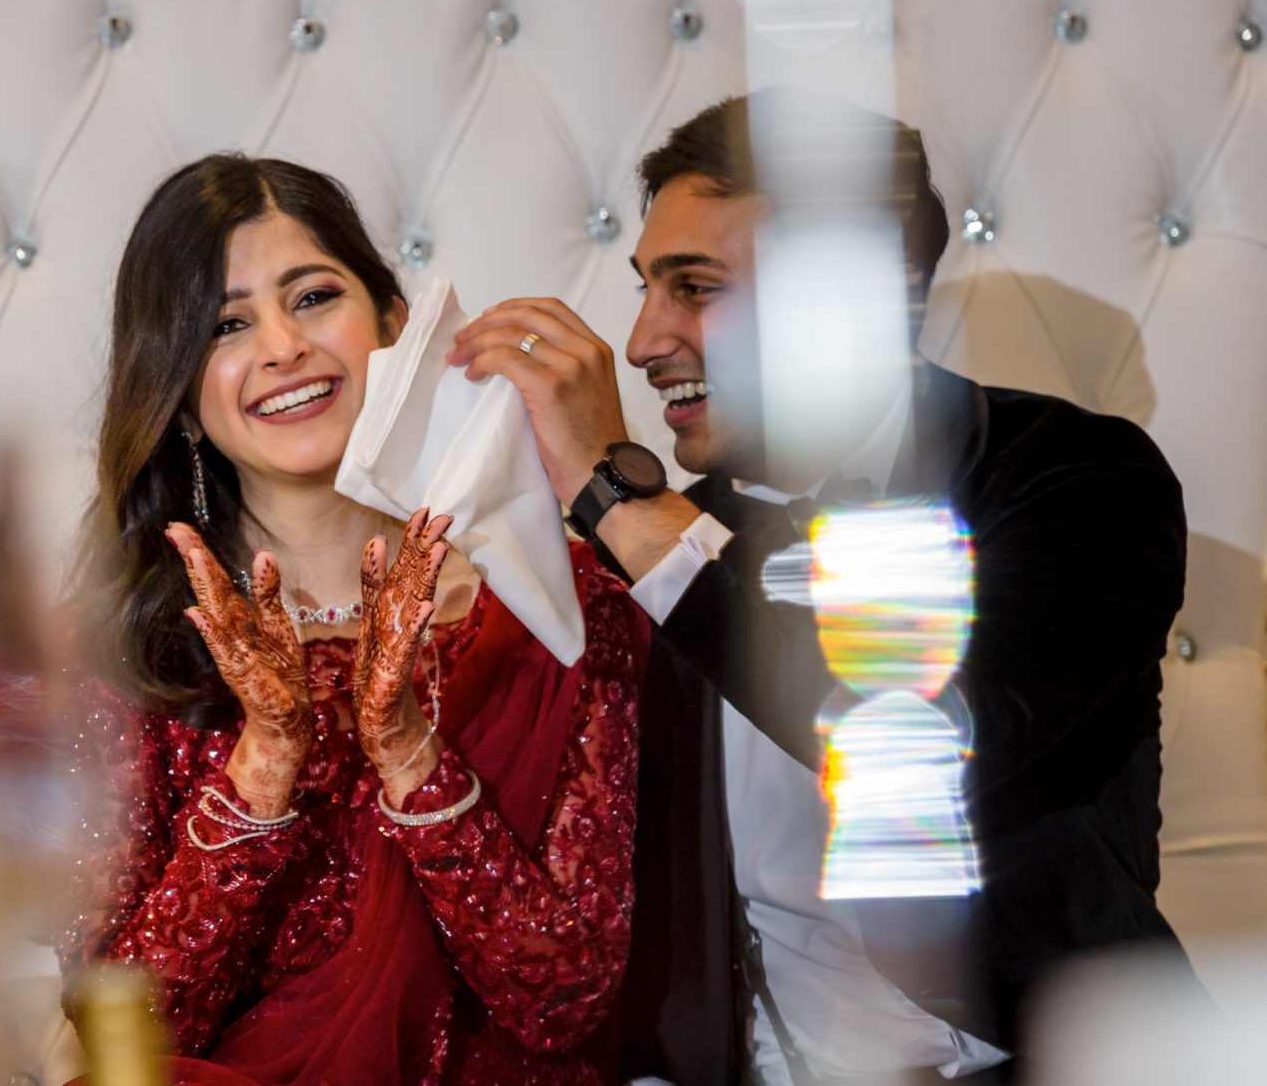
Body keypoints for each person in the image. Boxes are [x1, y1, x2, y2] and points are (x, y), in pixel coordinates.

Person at [449, 88, 1192, 1085]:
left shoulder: (1071, 478)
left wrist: (617, 495)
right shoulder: (650, 547)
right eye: (646, 287)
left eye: (695, 287)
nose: (640, 341)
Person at [57, 154, 645, 1085]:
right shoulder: (127, 653)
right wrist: (266, 759)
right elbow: (121, 1033)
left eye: (314, 295)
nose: (283, 346)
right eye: (226, 324)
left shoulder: (556, 605)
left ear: (395, 327)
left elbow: (564, 996)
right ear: (179, 395)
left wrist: (411, 755)